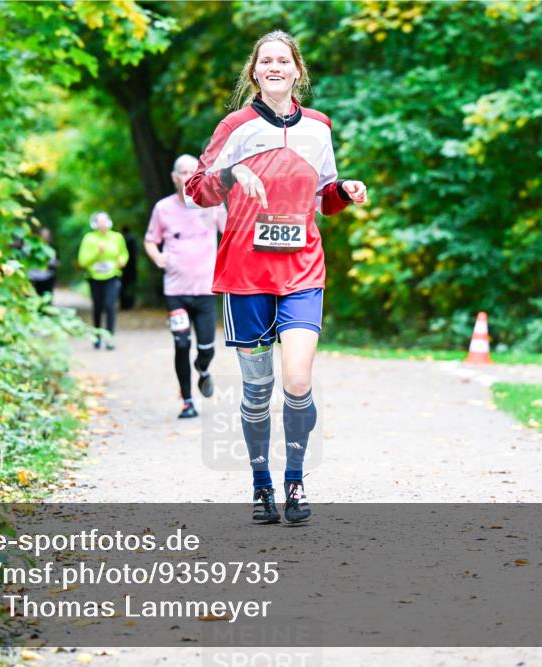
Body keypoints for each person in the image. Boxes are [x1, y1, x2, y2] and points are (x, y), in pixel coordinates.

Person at [185, 30, 368, 524]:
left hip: (302, 269)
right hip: (246, 274)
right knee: (257, 389)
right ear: (254, 72)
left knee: (298, 378)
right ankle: (261, 485)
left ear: (297, 71)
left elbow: (323, 196)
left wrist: (345, 191)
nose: (274, 67)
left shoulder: (319, 128)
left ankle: (295, 481)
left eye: (282, 61)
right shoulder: (235, 126)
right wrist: (231, 174)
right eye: (265, 61)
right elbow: (197, 190)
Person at [145, 154, 228, 419]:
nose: (188, 176)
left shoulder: (212, 206)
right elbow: (150, 240)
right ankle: (187, 401)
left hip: (205, 289)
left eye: (194, 171)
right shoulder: (163, 208)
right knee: (181, 344)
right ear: (174, 177)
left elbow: (231, 234)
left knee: (206, 348)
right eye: (183, 172)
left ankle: (203, 370)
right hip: (176, 291)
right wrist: (158, 256)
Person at [77, 211, 129, 350]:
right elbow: (82, 261)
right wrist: (97, 252)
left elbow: (124, 253)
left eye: (105, 221)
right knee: (98, 308)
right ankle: (97, 336)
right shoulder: (89, 238)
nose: (103, 225)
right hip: (95, 278)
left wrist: (122, 261)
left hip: (112, 277)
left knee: (110, 306)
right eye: (99, 222)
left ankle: (109, 337)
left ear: (109, 222)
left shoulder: (117, 237)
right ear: (94, 224)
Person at [118, 225, 139, 310]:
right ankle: (130, 304)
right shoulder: (133, 239)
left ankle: (124, 304)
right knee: (131, 286)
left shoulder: (122, 240)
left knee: (123, 286)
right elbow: (136, 253)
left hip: (123, 267)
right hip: (132, 267)